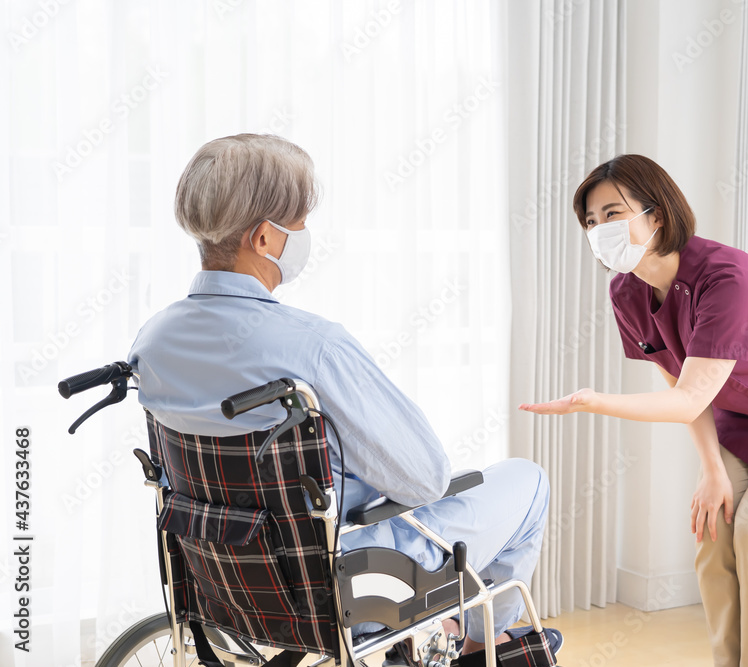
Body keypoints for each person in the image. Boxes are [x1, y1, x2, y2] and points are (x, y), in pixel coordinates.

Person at [128, 133, 557, 656]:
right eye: (301, 223)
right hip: (345, 585)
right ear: (264, 238)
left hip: (221, 581)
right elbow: (425, 478)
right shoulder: (313, 348)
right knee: (527, 483)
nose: (306, 235)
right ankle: (482, 648)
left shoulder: (152, 341)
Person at [519, 154, 748, 667]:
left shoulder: (727, 278)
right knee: (714, 534)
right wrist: (712, 470)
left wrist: (592, 402)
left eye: (613, 214)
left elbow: (686, 398)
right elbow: (679, 381)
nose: (600, 230)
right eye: (591, 222)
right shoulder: (627, 291)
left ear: (657, 215)